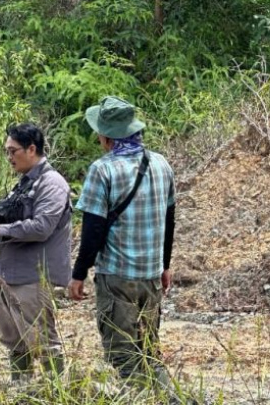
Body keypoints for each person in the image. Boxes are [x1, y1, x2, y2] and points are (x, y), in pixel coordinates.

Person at [68, 96, 176, 389]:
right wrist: (165, 266)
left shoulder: (102, 170)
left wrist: (78, 274)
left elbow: (93, 231)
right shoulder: (161, 164)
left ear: (106, 138)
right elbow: (169, 219)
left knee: (124, 359)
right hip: (151, 277)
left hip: (117, 278)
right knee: (150, 352)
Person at [0, 123, 72, 381]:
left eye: (13, 151)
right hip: (10, 276)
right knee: (15, 343)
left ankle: (55, 396)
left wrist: (0, 230)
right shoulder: (24, 183)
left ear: (31, 149)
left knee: (43, 342)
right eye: (6, 151)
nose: (9, 157)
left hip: (34, 278)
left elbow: (42, 227)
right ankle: (22, 393)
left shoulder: (52, 183)